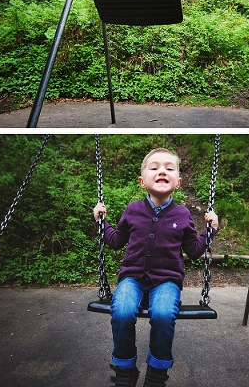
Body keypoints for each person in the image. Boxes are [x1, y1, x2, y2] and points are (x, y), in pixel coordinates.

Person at [92, 148, 219, 387]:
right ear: (142, 181)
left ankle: (157, 374)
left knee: (162, 315)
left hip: (167, 282)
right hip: (132, 278)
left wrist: (210, 230)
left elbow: (193, 251)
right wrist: (102, 222)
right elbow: (116, 241)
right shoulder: (132, 210)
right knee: (121, 311)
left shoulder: (183, 215)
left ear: (178, 182)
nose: (162, 171)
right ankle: (124, 370)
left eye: (169, 168)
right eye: (154, 168)